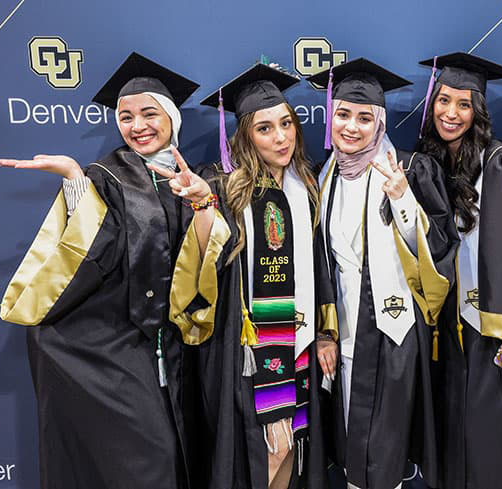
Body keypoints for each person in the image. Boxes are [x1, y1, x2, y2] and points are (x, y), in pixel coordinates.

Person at [0, 52, 205, 489]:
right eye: (126, 117)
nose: (138, 126)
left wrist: (203, 205)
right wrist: (75, 179)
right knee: (152, 459)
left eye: (150, 113)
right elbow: (93, 250)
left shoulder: (200, 178)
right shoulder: (108, 177)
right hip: (115, 342)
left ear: (171, 118)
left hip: (178, 345)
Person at [155, 61, 329, 489]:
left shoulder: (305, 184)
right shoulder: (223, 183)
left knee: (291, 447)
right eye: (265, 128)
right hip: (248, 350)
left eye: (286, 123)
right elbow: (201, 260)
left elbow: (319, 267)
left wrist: (324, 331)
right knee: (264, 450)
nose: (282, 136)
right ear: (245, 136)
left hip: (300, 340)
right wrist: (202, 206)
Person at [306, 58, 458, 489]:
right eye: (343, 114)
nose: (352, 127)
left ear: (380, 123)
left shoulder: (409, 169)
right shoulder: (327, 172)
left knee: (385, 448)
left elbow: (441, 248)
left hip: (393, 329)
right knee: (354, 440)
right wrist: (325, 330)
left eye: (364, 118)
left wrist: (404, 201)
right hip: (346, 328)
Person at [415, 52, 502, 489]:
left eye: (464, 104)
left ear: (479, 112)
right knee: (452, 424)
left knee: (489, 429)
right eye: (443, 101)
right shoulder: (428, 161)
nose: (451, 114)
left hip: (491, 321)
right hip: (444, 321)